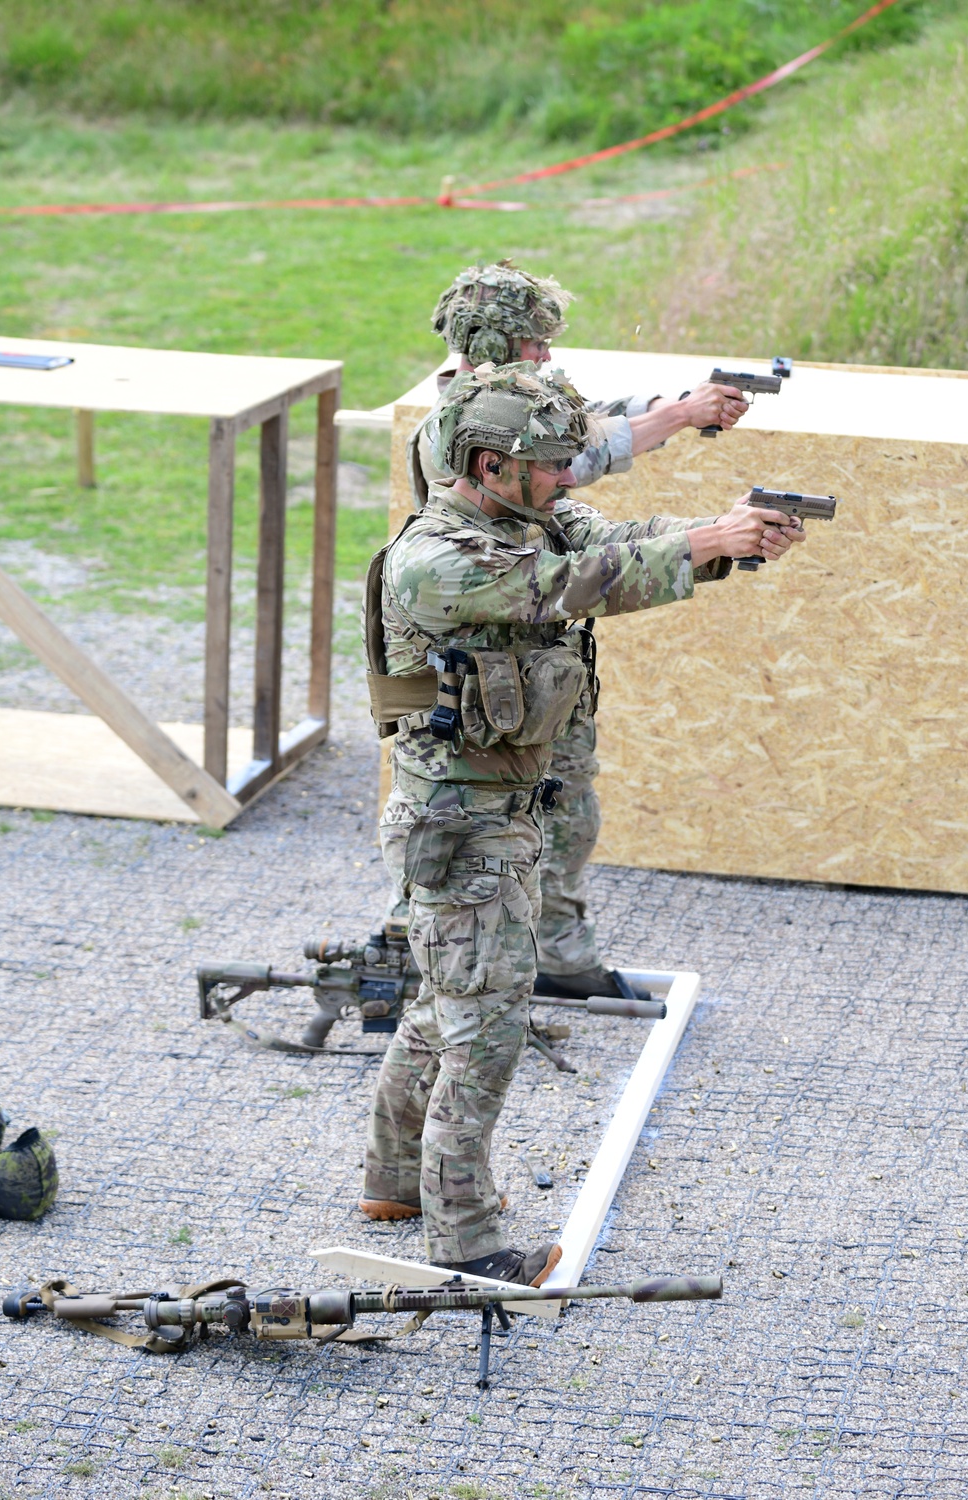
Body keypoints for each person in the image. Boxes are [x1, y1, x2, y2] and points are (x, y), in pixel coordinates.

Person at [360, 363, 803, 1282]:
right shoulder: (438, 556)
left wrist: (719, 539)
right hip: (460, 826)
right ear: (489, 464)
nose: (570, 478)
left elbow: (618, 540)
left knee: (450, 1005)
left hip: (501, 814)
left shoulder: (531, 510)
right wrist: (705, 539)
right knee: (485, 1026)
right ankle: (469, 1241)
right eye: (553, 466)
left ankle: (395, 1178)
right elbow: (566, 586)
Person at [398, 260, 751, 1004]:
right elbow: (570, 540)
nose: (547, 357)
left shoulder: (508, 412)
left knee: (557, 816)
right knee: (474, 840)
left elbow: (584, 455)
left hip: (528, 674)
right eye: (533, 344)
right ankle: (457, 971)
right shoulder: (472, 431)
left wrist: (714, 524)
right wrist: (684, 428)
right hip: (483, 680)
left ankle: (533, 957)